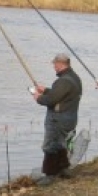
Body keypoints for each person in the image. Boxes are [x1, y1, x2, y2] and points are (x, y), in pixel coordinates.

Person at [31, 52, 83, 184]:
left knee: (50, 145)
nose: (54, 67)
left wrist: (39, 98)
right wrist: (46, 90)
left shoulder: (63, 81)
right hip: (70, 117)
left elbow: (52, 100)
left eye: (55, 64)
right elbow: (62, 95)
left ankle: (50, 174)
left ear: (60, 64)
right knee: (61, 144)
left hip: (58, 119)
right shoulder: (74, 78)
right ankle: (63, 169)